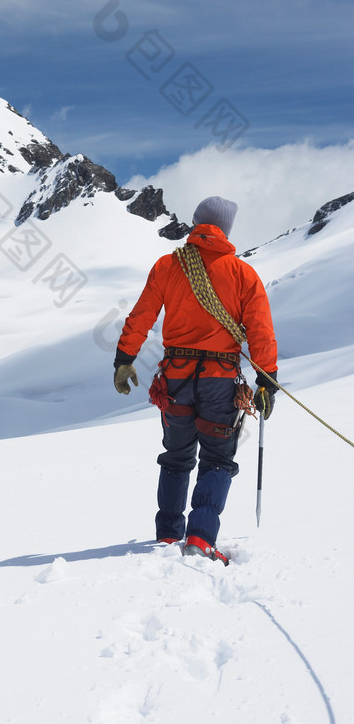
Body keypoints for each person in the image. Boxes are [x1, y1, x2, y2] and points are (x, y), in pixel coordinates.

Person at [113, 196, 277, 564]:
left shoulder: (168, 266)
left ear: (196, 223)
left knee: (176, 456)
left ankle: (169, 534)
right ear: (227, 229)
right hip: (220, 380)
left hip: (175, 377)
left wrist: (125, 359)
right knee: (218, 458)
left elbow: (141, 316)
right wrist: (267, 381)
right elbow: (261, 332)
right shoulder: (243, 274)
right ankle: (201, 537)